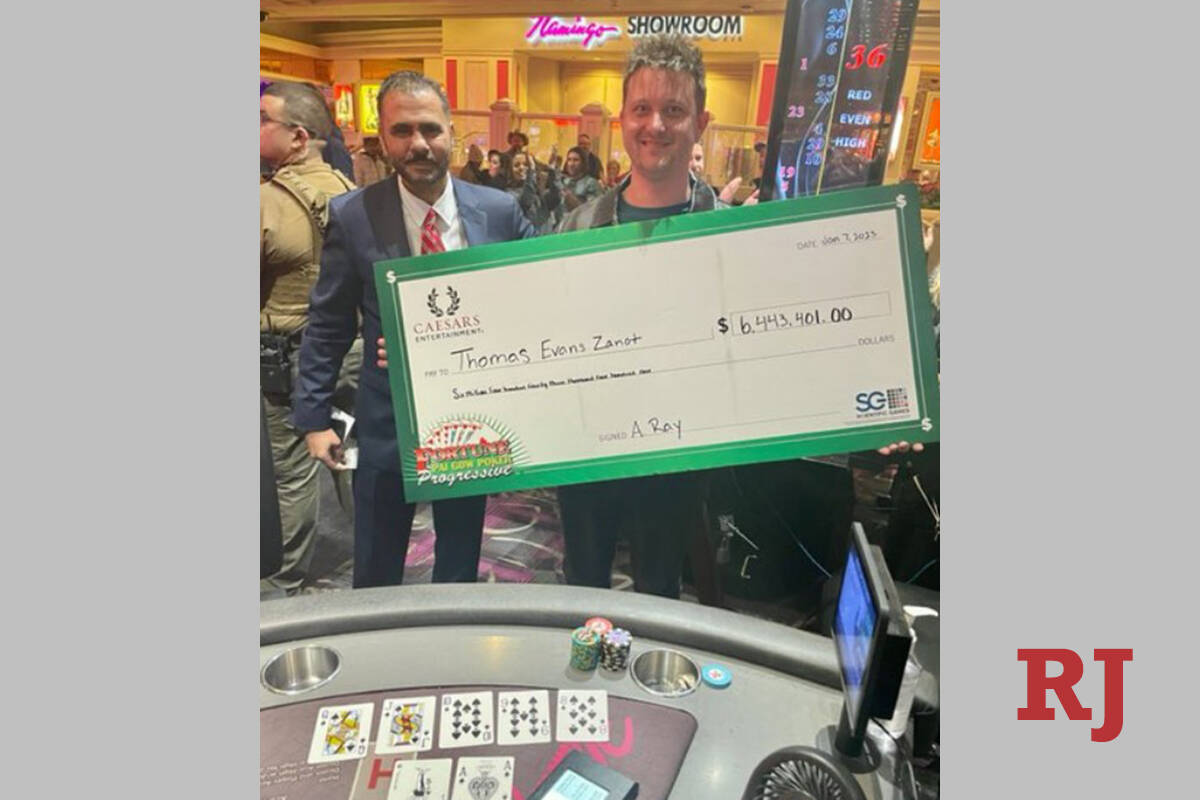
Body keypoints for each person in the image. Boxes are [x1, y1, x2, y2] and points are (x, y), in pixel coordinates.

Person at [292, 71, 537, 588]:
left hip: (471, 420)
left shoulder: (499, 213)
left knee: (459, 562)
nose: (418, 144)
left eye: (430, 129)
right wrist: (314, 418)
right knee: (376, 569)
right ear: (383, 140)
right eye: (402, 131)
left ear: (452, 132)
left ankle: (450, 636)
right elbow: (329, 323)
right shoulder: (353, 216)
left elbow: (538, 298)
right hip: (386, 422)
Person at [259, 80, 360, 596]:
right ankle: (371, 558)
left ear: (298, 136)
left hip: (291, 357)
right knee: (351, 458)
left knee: (293, 472)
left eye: (262, 120)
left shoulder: (266, 202)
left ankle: (285, 583)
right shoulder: (352, 192)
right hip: (353, 349)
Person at [507, 150, 559, 234]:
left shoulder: (540, 193)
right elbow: (526, 201)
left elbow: (556, 198)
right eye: (516, 165)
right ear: (510, 171)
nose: (521, 168)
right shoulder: (509, 194)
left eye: (526, 164)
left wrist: (552, 170)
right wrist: (531, 172)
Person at [560, 146, 603, 212]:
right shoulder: (564, 182)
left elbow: (593, 211)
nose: (571, 164)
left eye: (576, 160)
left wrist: (572, 199)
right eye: (569, 160)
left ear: (583, 163)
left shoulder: (591, 183)